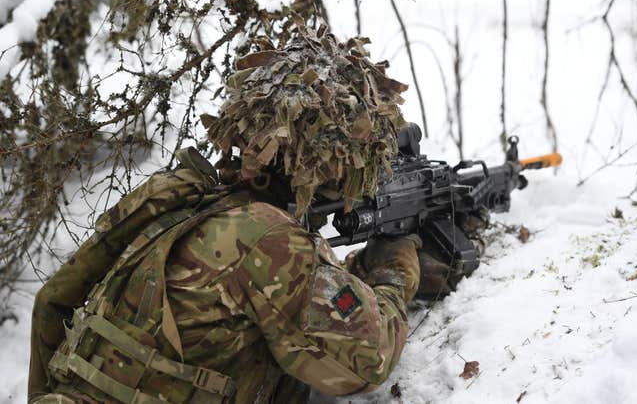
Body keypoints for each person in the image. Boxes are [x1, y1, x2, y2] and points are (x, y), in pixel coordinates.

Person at [28, 22, 462, 404]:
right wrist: (393, 269)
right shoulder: (265, 238)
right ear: (332, 158)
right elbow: (370, 360)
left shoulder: (182, 196)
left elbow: (51, 301)